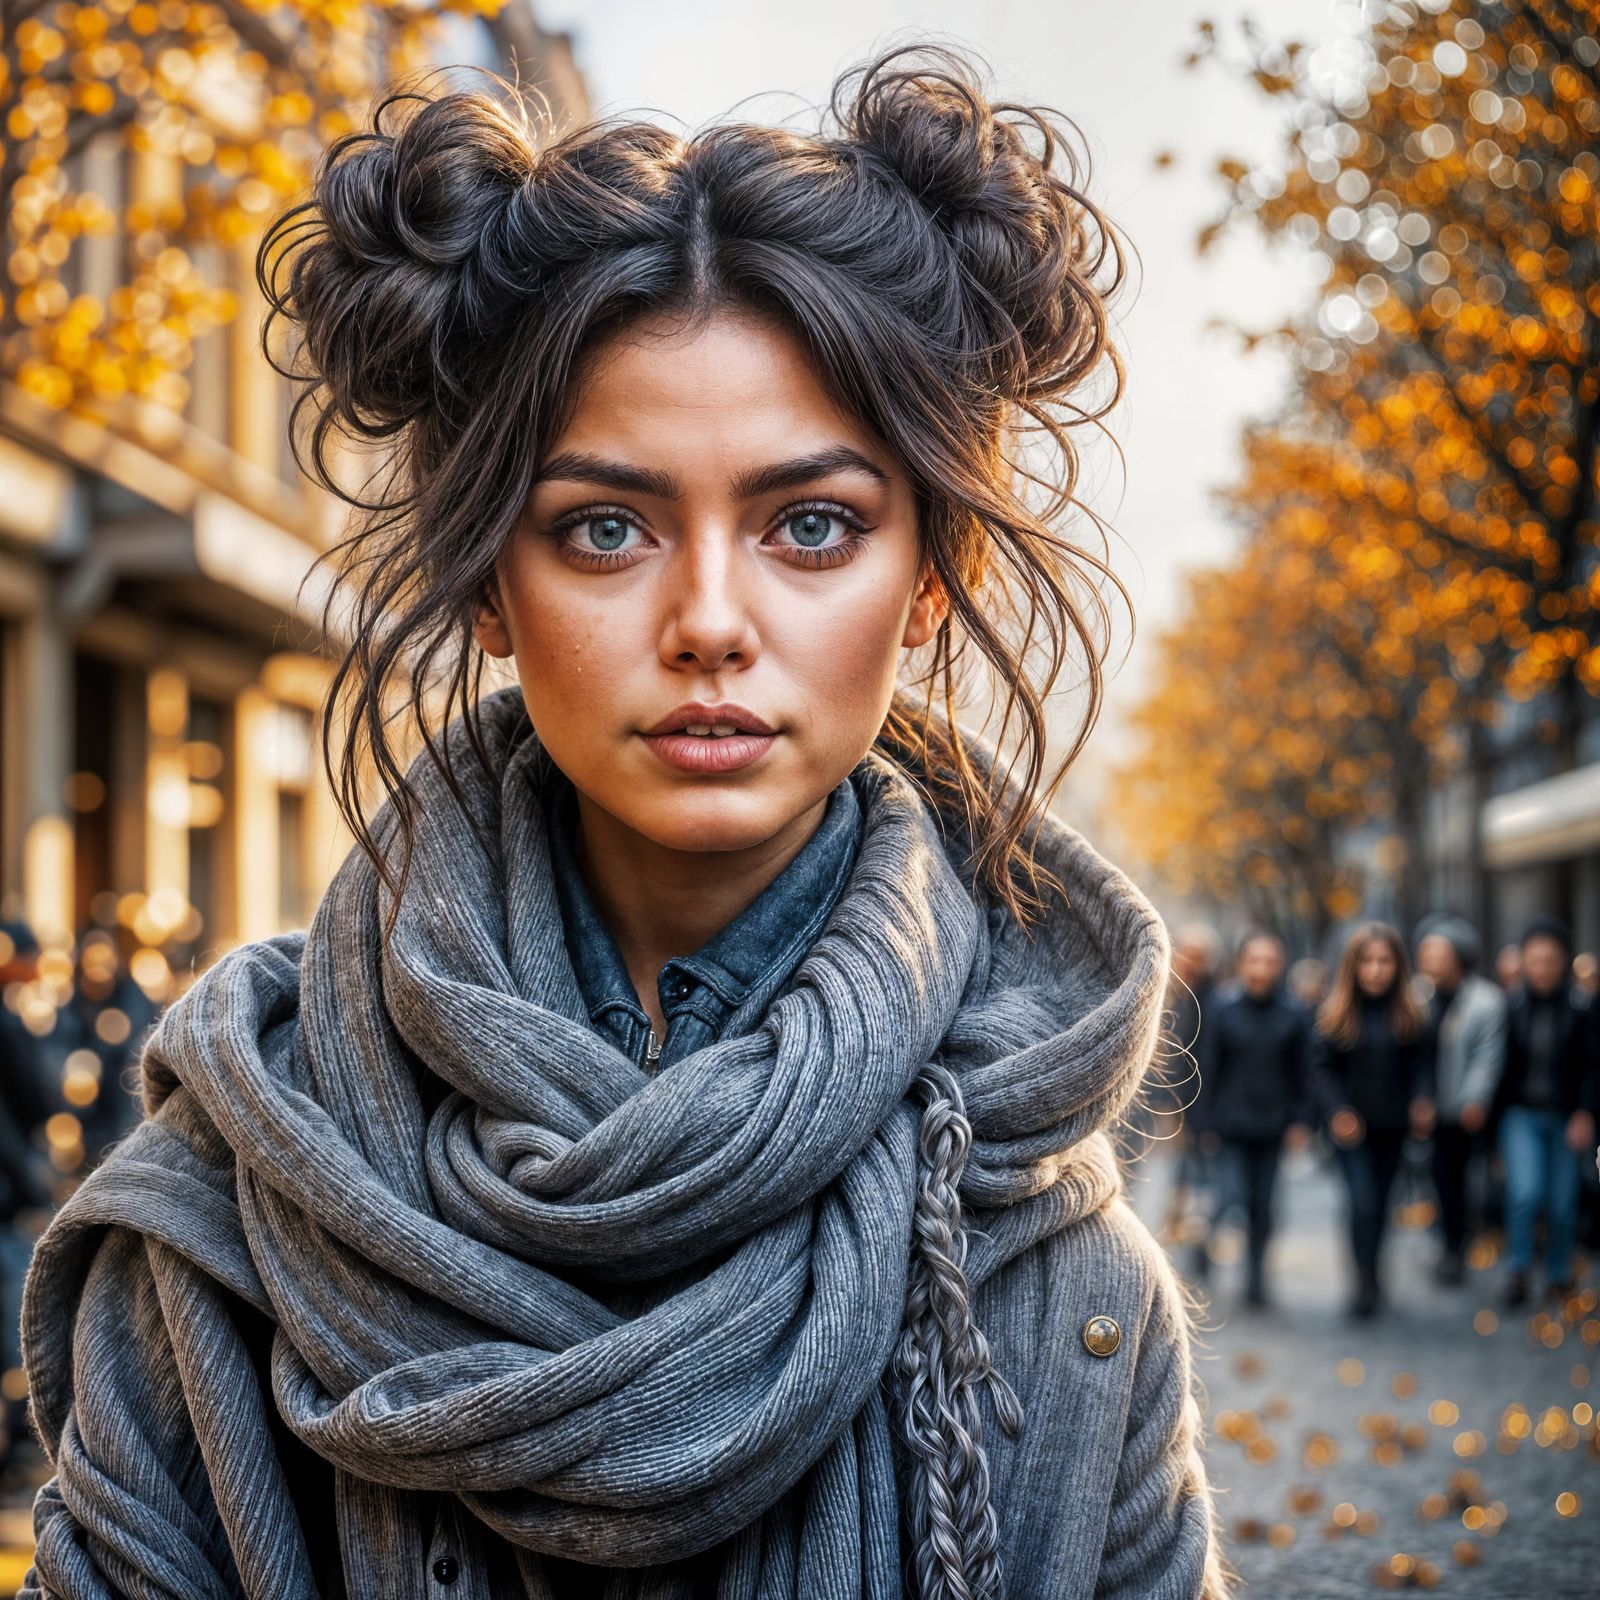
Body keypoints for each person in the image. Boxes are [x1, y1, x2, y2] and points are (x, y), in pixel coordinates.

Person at [16, 47, 1232, 1600]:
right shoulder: (237, 1200)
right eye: (605, 528)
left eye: (812, 525)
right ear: (489, 591)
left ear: (931, 579)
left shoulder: (1060, 1270)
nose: (711, 621)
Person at [1309, 923, 1433, 1319]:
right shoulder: (1336, 1016)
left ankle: (1375, 1273)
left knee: (1381, 1205)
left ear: (1398, 965)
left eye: (1385, 961)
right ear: (1354, 966)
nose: (1377, 969)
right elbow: (1320, 1070)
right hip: (1351, 1130)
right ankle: (1361, 1280)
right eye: (1368, 961)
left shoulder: (1411, 1016)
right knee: (1361, 1202)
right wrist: (1337, 1111)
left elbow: (1423, 1067)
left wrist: (1422, 1101)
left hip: (1393, 1127)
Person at [1191, 931, 1314, 1309]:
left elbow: (1304, 1072)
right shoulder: (1222, 1008)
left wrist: (1301, 1120)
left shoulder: (1294, 1014)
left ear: (1279, 966)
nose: (1262, 969)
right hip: (1230, 1124)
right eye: (1255, 960)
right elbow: (1206, 1066)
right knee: (1231, 1198)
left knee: (1264, 1207)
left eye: (1270, 961)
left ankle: (1256, 1279)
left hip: (1273, 1125)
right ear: (1242, 964)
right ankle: (1205, 1249)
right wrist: (1201, 1123)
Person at [1491, 915, 1600, 1308]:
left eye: (1550, 960)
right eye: (1534, 960)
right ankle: (1518, 1269)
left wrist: (1586, 1113)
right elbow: (1499, 1072)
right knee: (1525, 1192)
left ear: (1563, 960)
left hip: (1567, 1115)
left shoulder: (1582, 1006)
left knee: (1562, 1201)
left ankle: (1558, 1273)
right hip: (1520, 1113)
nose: (1542, 969)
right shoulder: (1509, 1005)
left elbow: (1593, 1064)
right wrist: (1493, 1140)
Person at [1414, 916, 1506, 1286]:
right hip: (1431, 1108)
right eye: (1426, 953)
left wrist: (1475, 1098)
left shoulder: (1485, 1001)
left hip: (1468, 1111)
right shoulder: (1418, 996)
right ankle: (1449, 1246)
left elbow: (1488, 1054)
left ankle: (1463, 1244)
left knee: (1469, 1179)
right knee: (1440, 1179)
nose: (1431, 961)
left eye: (1440, 953)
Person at [0, 919, 59, 1481]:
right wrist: (31, 1183)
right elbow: (36, 1101)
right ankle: (20, 1438)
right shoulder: (10, 1020)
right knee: (15, 1317)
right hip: (7, 1196)